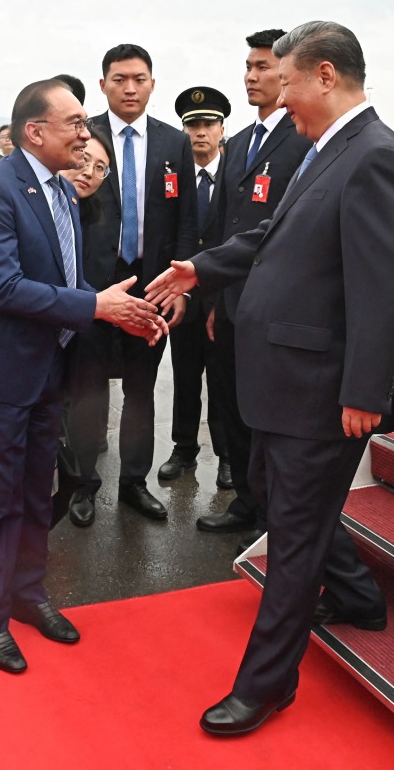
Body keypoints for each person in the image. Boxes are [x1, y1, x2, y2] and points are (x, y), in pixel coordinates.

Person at [145, 21, 394, 735]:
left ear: (325, 75)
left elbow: (385, 285)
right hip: (281, 380)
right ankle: (358, 597)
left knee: (293, 537)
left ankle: (267, 684)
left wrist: (366, 390)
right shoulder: (326, 150)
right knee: (276, 498)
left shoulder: (377, 157)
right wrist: (201, 268)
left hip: (322, 390)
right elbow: (275, 236)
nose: (278, 97)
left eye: (288, 81)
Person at [0, 78, 169, 674]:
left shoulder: (67, 193)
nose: (84, 131)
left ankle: (30, 595)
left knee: (34, 492)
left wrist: (117, 310)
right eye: (73, 122)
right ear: (34, 132)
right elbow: (3, 287)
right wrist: (95, 307)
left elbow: (68, 281)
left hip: (49, 367)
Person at [66, 43, 197, 527]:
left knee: (141, 393)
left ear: (152, 84)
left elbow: (186, 220)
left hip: (151, 290)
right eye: (119, 79)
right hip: (92, 292)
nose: (129, 87)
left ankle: (134, 484)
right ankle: (82, 484)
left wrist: (178, 288)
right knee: (88, 392)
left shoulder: (172, 143)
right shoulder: (84, 139)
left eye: (139, 78)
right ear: (102, 84)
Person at [194, 29, 313, 547]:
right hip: (232, 307)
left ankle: (273, 520)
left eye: (263, 67)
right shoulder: (238, 142)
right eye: (247, 66)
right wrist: (217, 300)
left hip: (274, 308)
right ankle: (245, 499)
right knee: (232, 410)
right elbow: (223, 231)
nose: (251, 75)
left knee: (270, 418)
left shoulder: (305, 138)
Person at [157, 86, 231, 489]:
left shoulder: (237, 175)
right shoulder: (176, 177)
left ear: (222, 129)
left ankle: (226, 455)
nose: (200, 132)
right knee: (185, 376)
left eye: (208, 124)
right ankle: (183, 448)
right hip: (183, 296)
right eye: (193, 125)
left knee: (222, 379)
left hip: (221, 295)